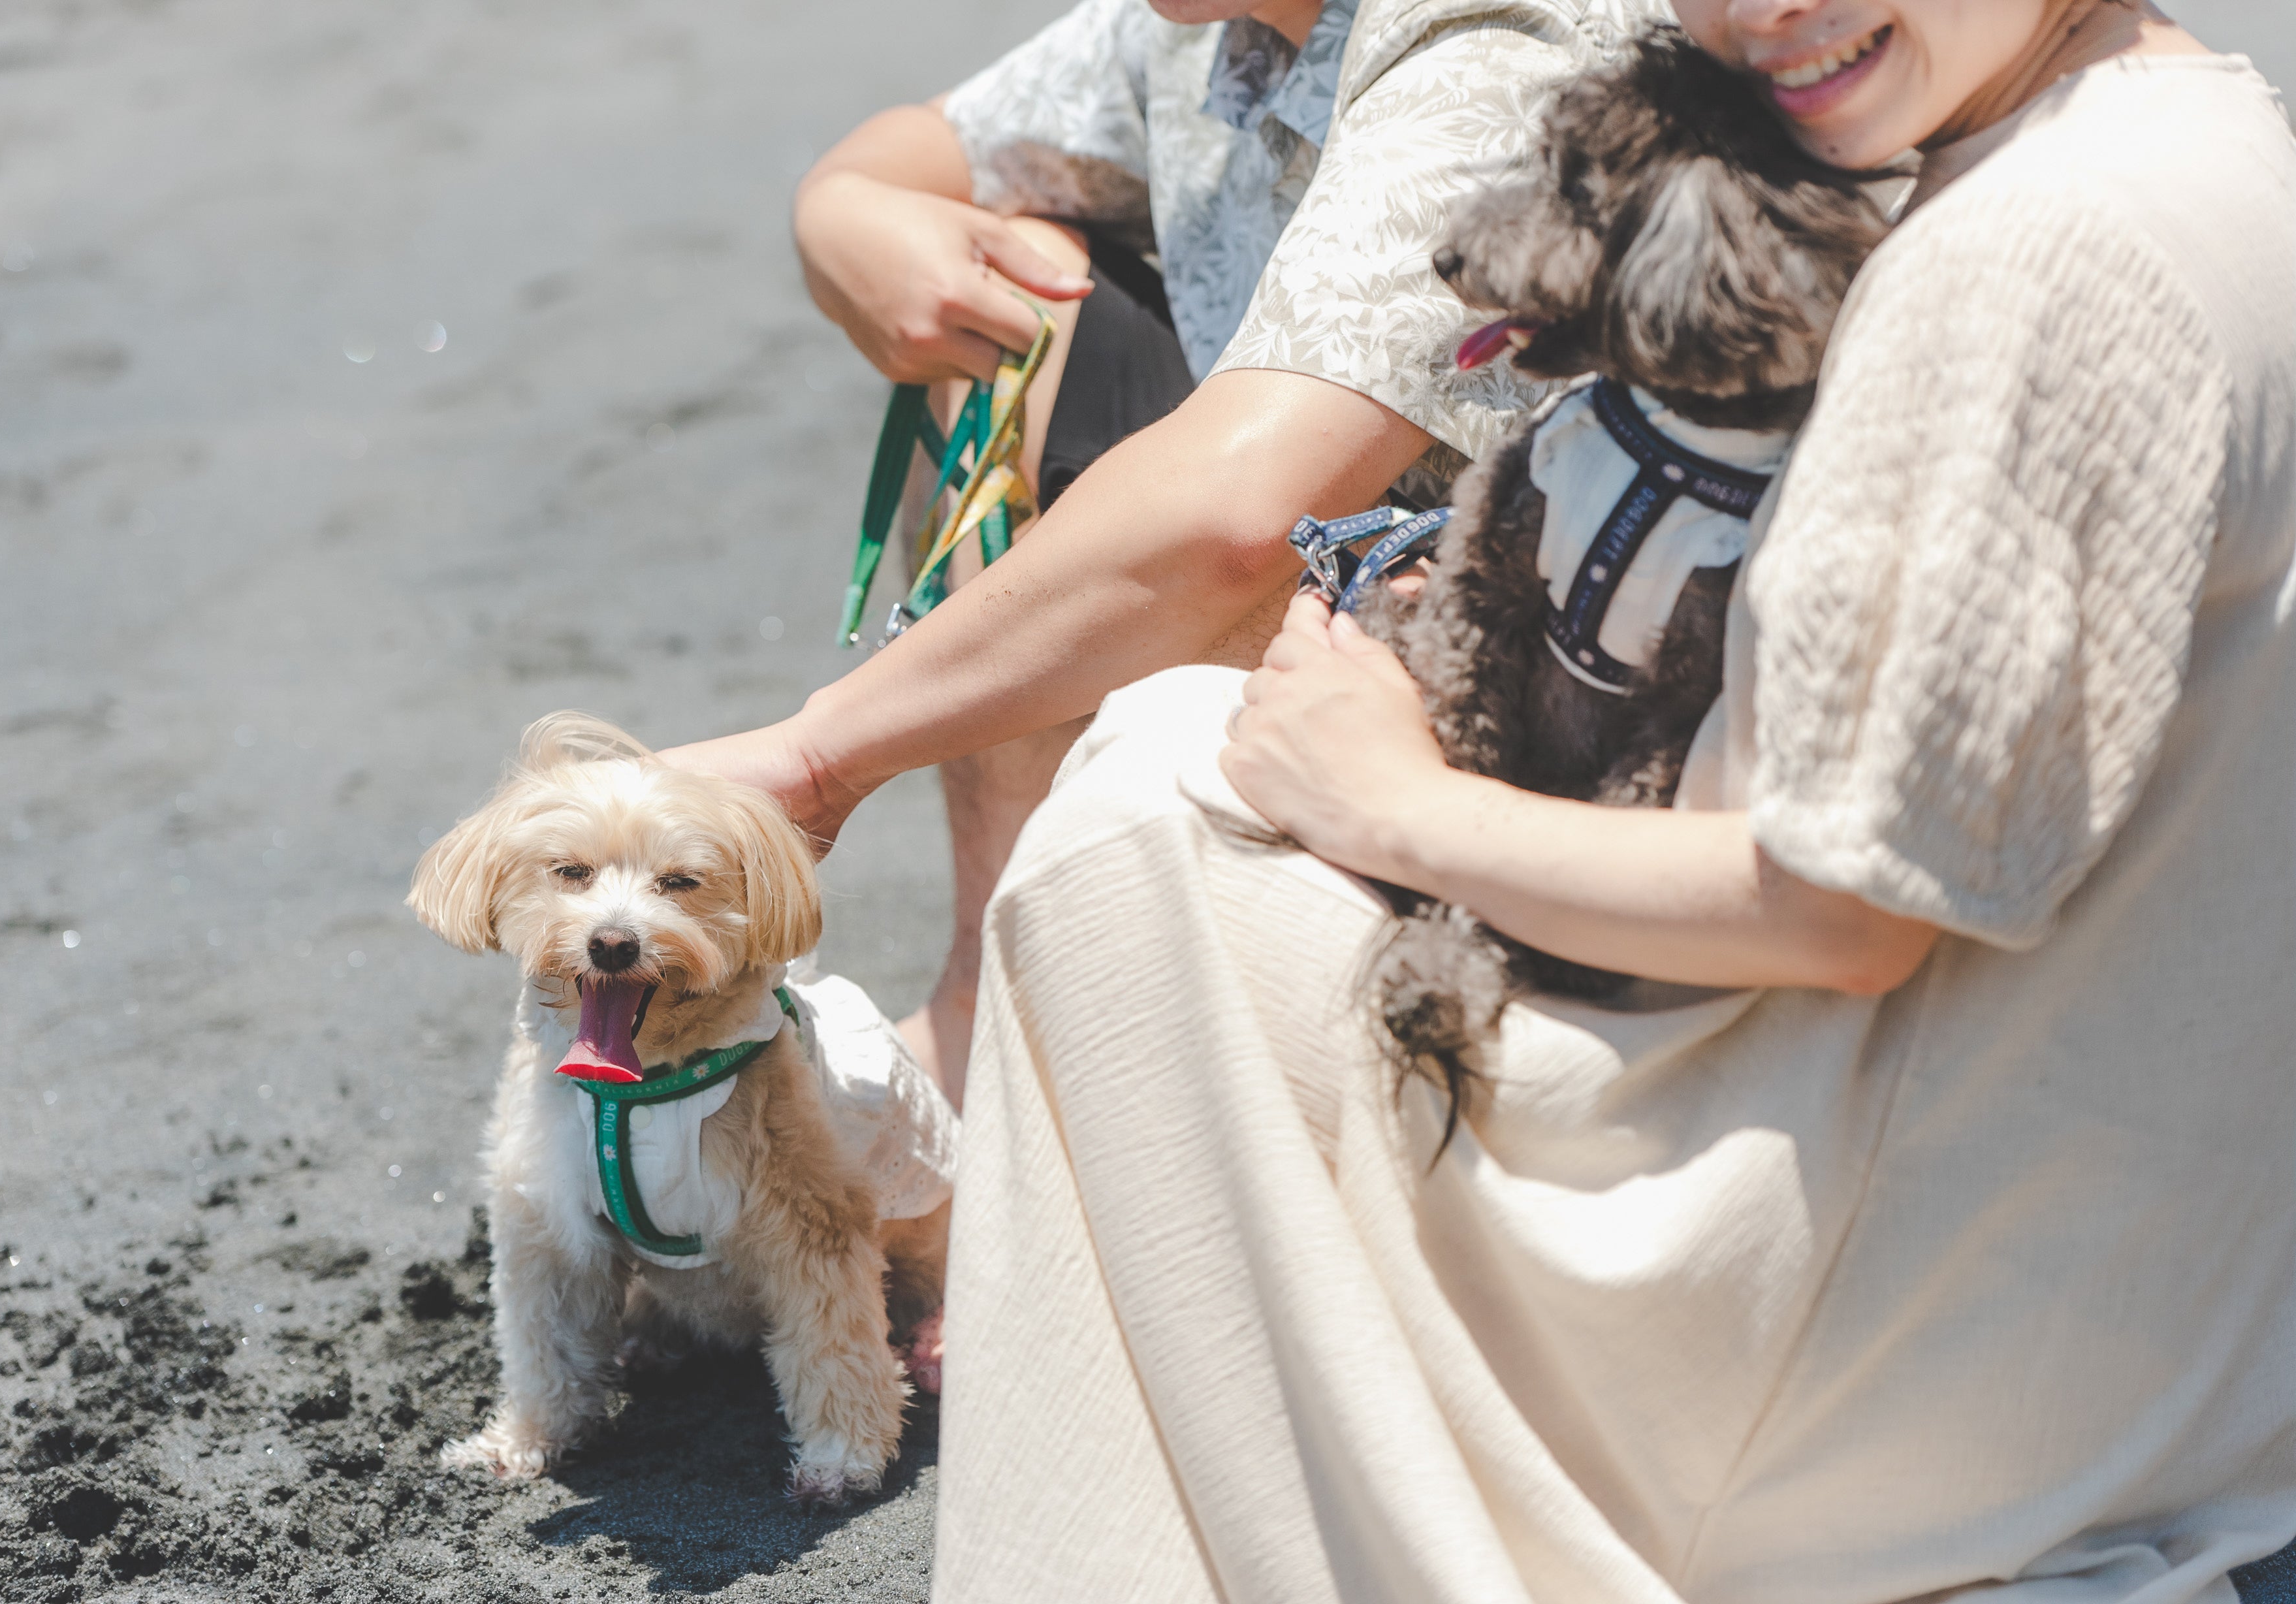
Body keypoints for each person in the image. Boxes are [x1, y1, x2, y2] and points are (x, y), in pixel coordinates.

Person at [933, 1, 2296, 1599]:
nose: (1762, 11)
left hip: (1893, 1359)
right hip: (2144, 1302)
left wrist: (1391, 802)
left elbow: (1840, 911)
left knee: (1146, 815)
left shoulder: (2015, 261)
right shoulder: (2210, 128)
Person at [663, 0, 1659, 1105]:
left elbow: (1237, 513)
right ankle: (985, 1005)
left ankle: (1098, 1073)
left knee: (1218, 516)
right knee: (1019, 284)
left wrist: (818, 761)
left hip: (1568, 714)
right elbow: (917, 150)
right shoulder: (1195, 26)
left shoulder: (1497, 35)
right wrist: (839, 216)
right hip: (1350, 574)